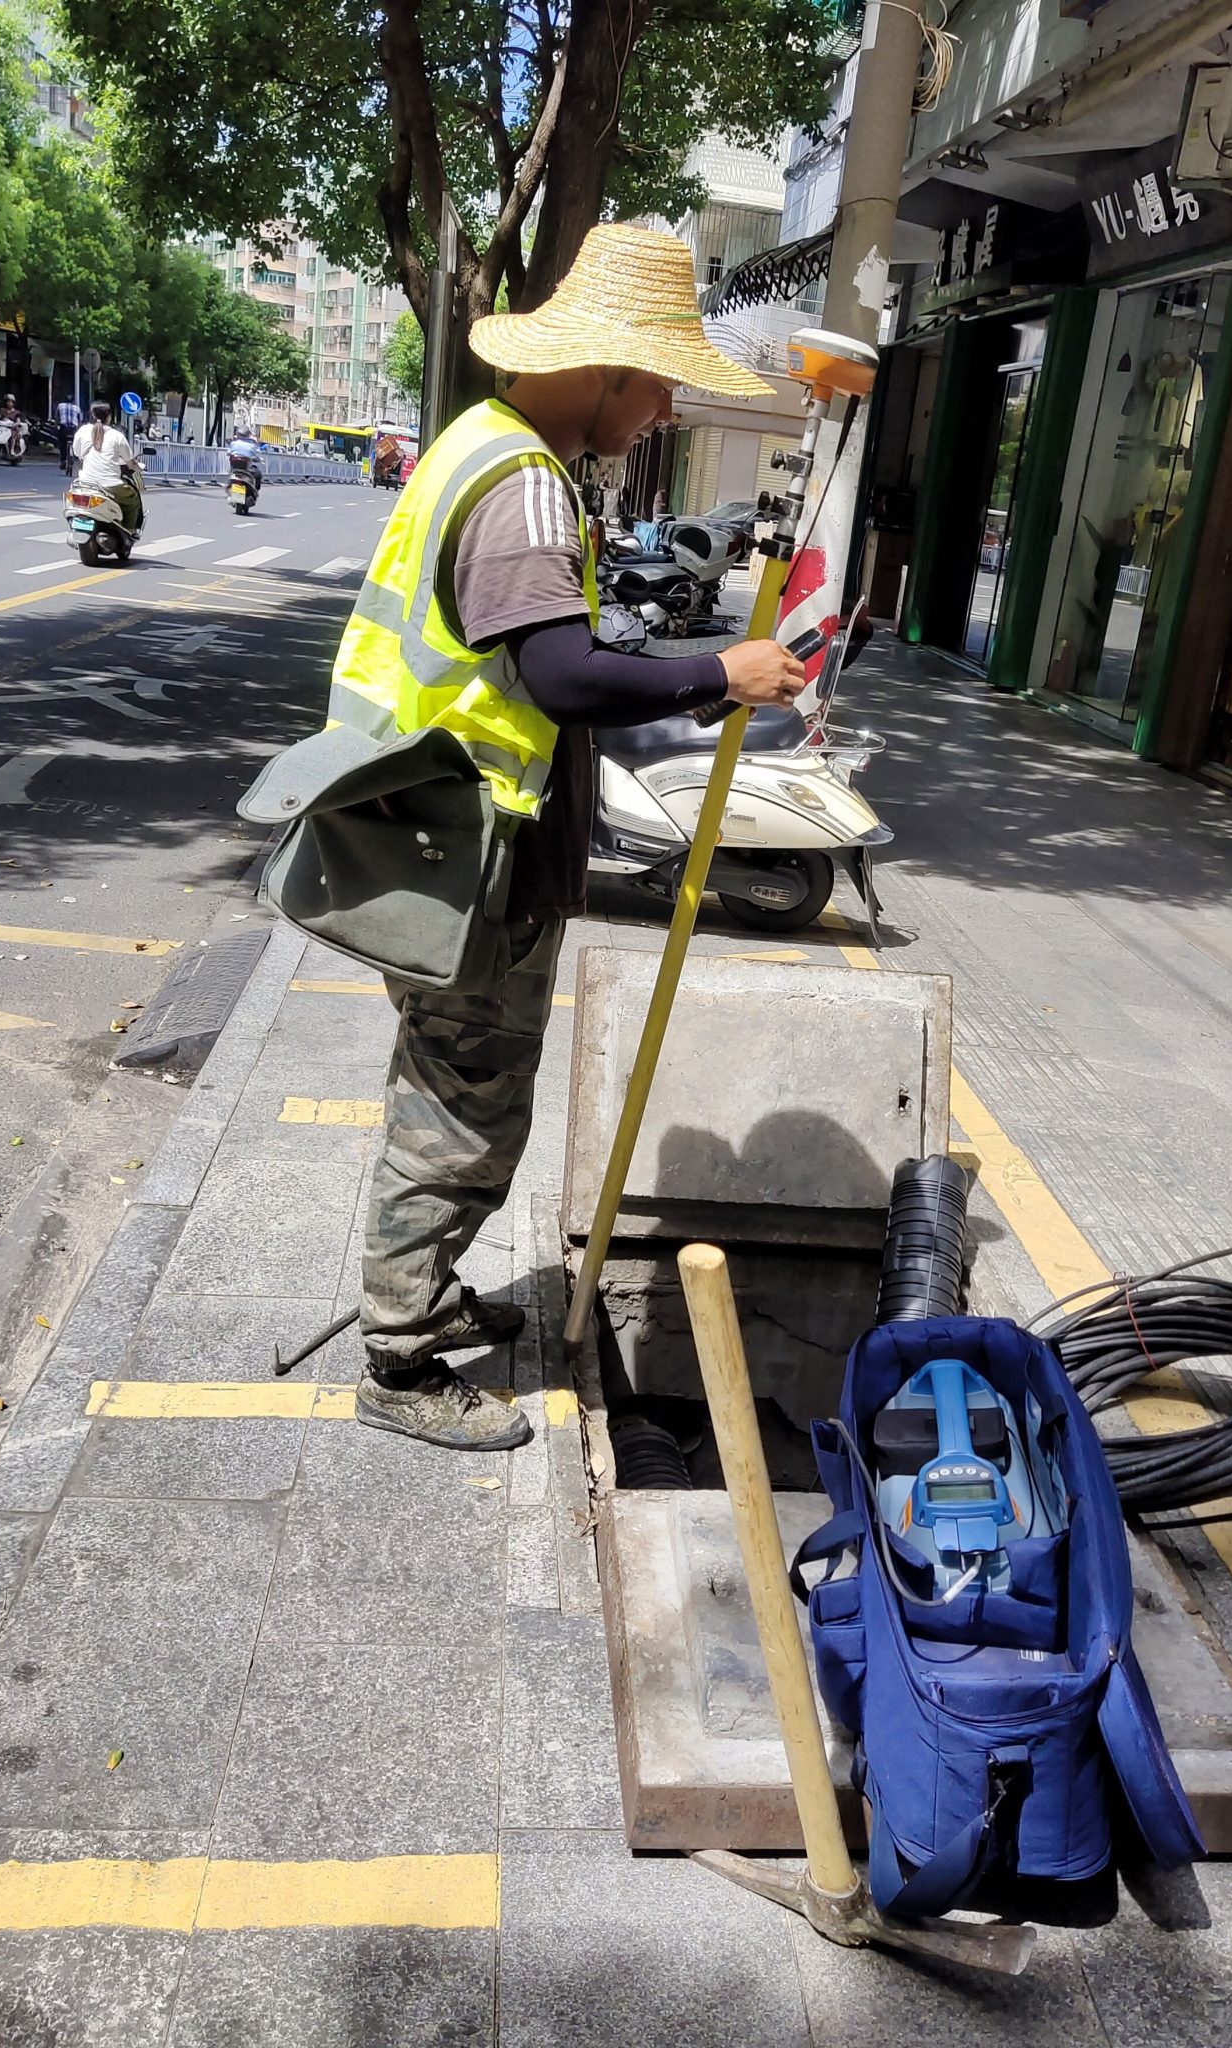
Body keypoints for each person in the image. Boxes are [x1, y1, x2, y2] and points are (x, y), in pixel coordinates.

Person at [324, 222, 801, 1451]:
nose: (665, 411)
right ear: (604, 370)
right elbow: (562, 675)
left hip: (437, 837)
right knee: (463, 1109)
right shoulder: (526, 479)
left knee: (451, 1087)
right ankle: (399, 1354)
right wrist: (723, 672)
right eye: (659, 386)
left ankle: (420, 1291)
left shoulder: (483, 445)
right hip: (467, 850)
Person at [70, 400, 143, 531]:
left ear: (92, 415)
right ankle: (130, 531)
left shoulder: (82, 431)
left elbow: (77, 453)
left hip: (85, 483)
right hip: (110, 485)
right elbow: (130, 462)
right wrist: (137, 467)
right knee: (133, 500)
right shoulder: (117, 436)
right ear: (109, 417)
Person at [227, 428, 265, 495]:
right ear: (248, 435)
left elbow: (228, 453)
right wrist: (259, 460)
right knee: (258, 474)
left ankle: (229, 489)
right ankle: (256, 492)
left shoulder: (233, 443)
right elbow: (256, 455)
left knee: (230, 474)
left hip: (234, 469)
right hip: (246, 469)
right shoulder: (252, 445)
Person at [55, 393, 83, 473]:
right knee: (75, 442)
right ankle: (74, 455)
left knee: (62, 443)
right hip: (73, 429)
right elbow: (79, 420)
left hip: (63, 428)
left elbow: (57, 417)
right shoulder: (77, 408)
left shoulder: (60, 406)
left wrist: (56, 426)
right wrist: (78, 429)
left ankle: (63, 459)